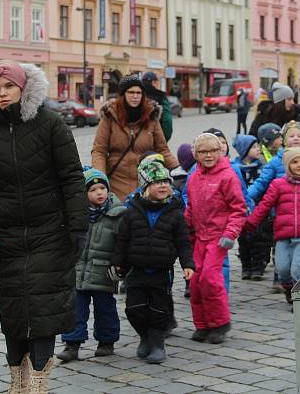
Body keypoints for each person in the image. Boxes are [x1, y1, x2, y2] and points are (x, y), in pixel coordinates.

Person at [0, 60, 88, 392]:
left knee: (44, 309)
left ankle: (38, 384)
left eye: (9, 86)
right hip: (7, 237)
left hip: (50, 231)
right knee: (14, 313)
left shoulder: (50, 125)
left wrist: (77, 225)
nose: (3, 93)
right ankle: (17, 383)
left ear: (23, 88)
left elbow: (71, 177)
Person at [112, 160, 195, 364]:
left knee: (159, 310)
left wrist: (188, 264)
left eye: (166, 182)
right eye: (156, 182)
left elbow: (183, 242)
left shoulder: (175, 213)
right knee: (134, 309)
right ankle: (145, 337)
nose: (163, 186)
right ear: (145, 187)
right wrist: (117, 264)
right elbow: (122, 240)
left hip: (160, 271)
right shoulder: (131, 212)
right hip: (136, 271)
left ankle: (158, 344)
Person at [57, 167, 126, 363]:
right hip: (78, 270)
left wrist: (120, 265)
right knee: (75, 309)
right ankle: (72, 344)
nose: (99, 193)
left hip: (104, 272)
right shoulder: (77, 215)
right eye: (93, 190)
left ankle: (107, 341)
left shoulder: (118, 215)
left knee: (105, 309)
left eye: (102, 188)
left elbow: (123, 244)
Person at [184, 133, 247, 344]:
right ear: (196, 155)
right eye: (203, 152)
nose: (208, 155)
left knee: (210, 278)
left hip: (218, 237)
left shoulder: (227, 176)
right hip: (198, 237)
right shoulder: (193, 178)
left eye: (212, 151)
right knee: (194, 281)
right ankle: (202, 324)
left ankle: (219, 323)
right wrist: (184, 230)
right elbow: (191, 208)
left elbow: (238, 209)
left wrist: (230, 233)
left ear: (220, 151)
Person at [245, 147, 300, 303]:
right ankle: (289, 289)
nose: (299, 165)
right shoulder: (277, 185)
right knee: (282, 269)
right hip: (282, 235)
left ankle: (299, 298)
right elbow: (265, 205)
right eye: (294, 162)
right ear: (287, 165)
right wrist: (251, 222)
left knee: (298, 269)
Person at [92, 73, 178, 201]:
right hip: (116, 181)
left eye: (139, 93)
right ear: (123, 94)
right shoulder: (110, 116)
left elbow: (162, 149)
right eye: (131, 92)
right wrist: (99, 178)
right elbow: (99, 150)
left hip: (146, 182)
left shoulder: (151, 116)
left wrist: (178, 170)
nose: (135, 96)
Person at [248, 121, 300, 203]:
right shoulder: (276, 161)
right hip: (281, 207)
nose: (296, 138)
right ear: (284, 140)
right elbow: (261, 182)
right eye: (291, 136)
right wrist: (246, 196)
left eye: (299, 136)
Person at [232, 134, 269, 279]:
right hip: (241, 209)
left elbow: (265, 185)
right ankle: (246, 266)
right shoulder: (235, 168)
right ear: (244, 150)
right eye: (254, 147)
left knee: (259, 238)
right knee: (243, 239)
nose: (258, 149)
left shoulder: (262, 167)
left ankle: (258, 267)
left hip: (259, 209)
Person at [141, 72, 174, 142]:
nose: (158, 84)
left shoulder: (138, 95)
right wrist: (163, 139)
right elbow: (167, 121)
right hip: (156, 139)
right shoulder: (161, 97)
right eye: (157, 82)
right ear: (153, 82)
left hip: (139, 141)